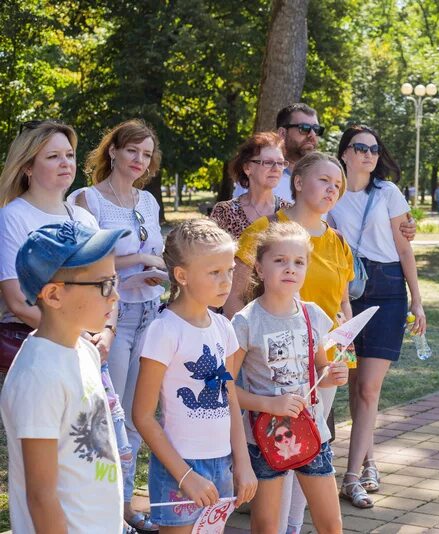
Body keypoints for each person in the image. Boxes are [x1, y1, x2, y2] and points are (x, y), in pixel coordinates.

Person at [225, 152, 354, 532]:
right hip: (264, 437)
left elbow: (317, 369)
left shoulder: (314, 315)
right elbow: (226, 387)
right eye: (280, 261)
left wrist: (331, 375)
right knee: (267, 525)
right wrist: (270, 403)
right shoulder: (245, 322)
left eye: (299, 263)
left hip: (313, 433)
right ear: (260, 267)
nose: (290, 270)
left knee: (331, 523)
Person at [0, 221, 127, 533]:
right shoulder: (38, 376)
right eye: (104, 285)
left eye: (115, 281)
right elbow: (41, 496)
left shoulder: (84, 350)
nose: (114, 298)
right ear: (54, 295)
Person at [132, 219, 258, 533]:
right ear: (182, 276)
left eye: (229, 270)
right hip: (180, 468)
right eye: (214, 272)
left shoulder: (223, 327)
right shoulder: (164, 331)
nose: (226, 281)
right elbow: (142, 416)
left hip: (221, 463)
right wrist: (186, 476)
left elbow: (229, 399)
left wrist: (242, 463)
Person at [71, 118, 165, 532]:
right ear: (113, 150)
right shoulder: (86, 200)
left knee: (139, 416)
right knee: (111, 420)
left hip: (151, 313)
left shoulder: (147, 202)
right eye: (132, 151)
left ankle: (126, 508)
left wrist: (155, 268)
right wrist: (140, 262)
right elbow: (88, 262)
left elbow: (158, 251)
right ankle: (107, 511)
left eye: (146, 155)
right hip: (112, 317)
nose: (138, 161)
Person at [329, 124, 427, 509]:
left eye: (374, 148)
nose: (369, 154)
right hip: (345, 291)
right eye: (360, 148)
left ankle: (350, 478)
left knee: (369, 387)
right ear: (345, 153)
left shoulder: (387, 193)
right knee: (353, 386)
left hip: (387, 290)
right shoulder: (330, 192)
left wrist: (417, 301)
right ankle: (368, 461)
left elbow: (405, 251)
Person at [0, 121, 99, 366]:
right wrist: (76, 335)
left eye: (70, 155)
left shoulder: (84, 218)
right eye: (53, 156)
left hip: (85, 348)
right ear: (27, 167)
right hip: (34, 350)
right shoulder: (12, 217)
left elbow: (107, 283)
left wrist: (108, 331)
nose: (65, 162)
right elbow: (18, 301)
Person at [211, 131, 289, 239]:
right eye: (268, 162)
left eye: (280, 163)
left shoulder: (289, 212)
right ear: (247, 168)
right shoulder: (224, 212)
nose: (276, 169)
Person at [273, 103, 326, 200]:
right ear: (282, 133)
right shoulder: (261, 174)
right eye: (304, 128)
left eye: (316, 129)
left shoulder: (324, 178)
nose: (312, 135)